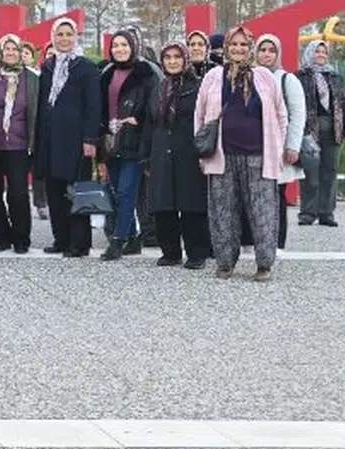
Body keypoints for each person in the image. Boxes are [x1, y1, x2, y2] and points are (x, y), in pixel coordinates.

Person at [193, 25, 287, 281]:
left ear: (250, 48)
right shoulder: (213, 76)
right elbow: (200, 115)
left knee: (263, 212)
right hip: (221, 156)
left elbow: (281, 114)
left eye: (243, 44)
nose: (238, 48)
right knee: (223, 212)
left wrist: (278, 148)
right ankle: (225, 263)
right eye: (233, 44)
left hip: (258, 156)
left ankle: (264, 264)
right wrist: (202, 152)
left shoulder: (264, 76)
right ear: (226, 47)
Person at [35, 17, 101, 258]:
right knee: (54, 190)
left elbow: (94, 106)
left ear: (75, 37)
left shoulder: (86, 67)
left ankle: (79, 243)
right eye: (60, 34)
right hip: (51, 138)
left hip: (76, 139)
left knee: (76, 190)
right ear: (53, 37)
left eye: (68, 34)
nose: (64, 39)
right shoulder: (48, 67)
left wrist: (90, 139)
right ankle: (61, 238)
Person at [143, 40, 210, 269]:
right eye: (168, 57)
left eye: (177, 57)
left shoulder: (198, 87)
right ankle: (170, 252)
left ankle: (197, 253)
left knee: (191, 205)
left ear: (185, 59)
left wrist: (205, 153)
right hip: (161, 152)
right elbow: (149, 124)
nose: (172, 62)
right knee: (164, 205)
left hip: (189, 153)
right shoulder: (158, 89)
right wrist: (146, 156)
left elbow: (206, 122)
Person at [97, 28, 159, 261]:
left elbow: (156, 105)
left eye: (124, 45)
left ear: (133, 47)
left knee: (126, 192)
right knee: (115, 192)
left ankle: (118, 240)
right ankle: (132, 237)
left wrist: (139, 120)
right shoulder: (106, 73)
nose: (120, 49)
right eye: (116, 45)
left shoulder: (146, 73)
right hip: (110, 140)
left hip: (135, 140)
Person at [0, 34, 39, 254]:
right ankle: (1, 237)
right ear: (0, 53)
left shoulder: (32, 79)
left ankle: (21, 238)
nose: (11, 53)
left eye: (15, 49)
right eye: (7, 49)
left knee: (18, 194)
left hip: (19, 146)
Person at [254, 34, 304, 248]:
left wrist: (292, 145)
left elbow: (298, 114)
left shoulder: (287, 80)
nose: (267, 54)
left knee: (277, 196)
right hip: (254, 146)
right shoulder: (250, 77)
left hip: (279, 148)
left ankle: (277, 242)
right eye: (262, 50)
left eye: (271, 50)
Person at [296, 40, 345, 228]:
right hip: (309, 128)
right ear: (310, 53)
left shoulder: (335, 77)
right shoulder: (301, 76)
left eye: (324, 52)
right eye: (317, 51)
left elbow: (344, 103)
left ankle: (326, 213)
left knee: (330, 170)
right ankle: (307, 213)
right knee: (310, 171)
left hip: (333, 127)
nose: (321, 55)